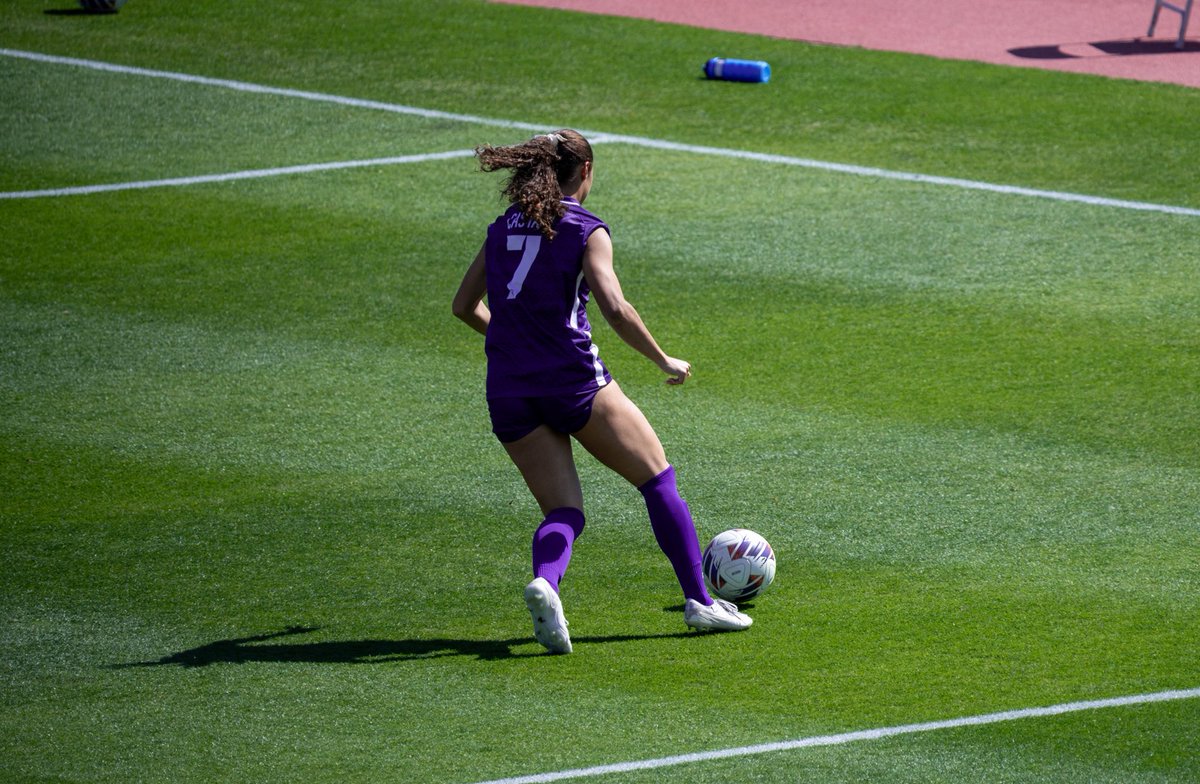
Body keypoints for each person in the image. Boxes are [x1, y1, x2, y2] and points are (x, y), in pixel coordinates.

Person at [452, 129, 751, 654]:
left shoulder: (501, 228)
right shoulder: (586, 229)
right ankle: (700, 602)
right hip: (574, 382)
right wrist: (663, 359)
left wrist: (510, 339)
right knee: (658, 479)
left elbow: (463, 306)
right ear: (585, 172)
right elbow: (613, 306)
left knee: (563, 511)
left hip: (508, 388)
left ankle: (547, 581)